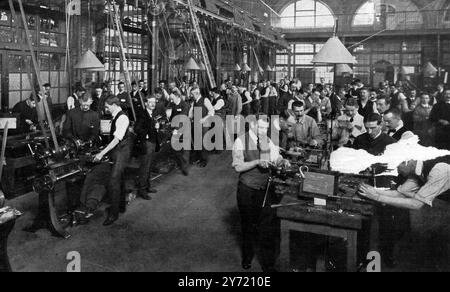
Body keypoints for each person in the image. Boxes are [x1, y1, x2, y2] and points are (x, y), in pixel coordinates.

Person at [232, 116, 286, 272]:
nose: (264, 131)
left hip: (265, 188)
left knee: (267, 227)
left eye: (265, 128)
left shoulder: (266, 140)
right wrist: (256, 162)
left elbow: (275, 157)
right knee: (248, 226)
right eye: (261, 128)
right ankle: (247, 257)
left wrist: (282, 161)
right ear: (253, 125)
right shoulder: (240, 141)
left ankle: (268, 265)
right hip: (247, 189)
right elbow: (238, 167)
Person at [358, 156, 450, 210]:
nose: (397, 171)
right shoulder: (416, 169)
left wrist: (377, 197)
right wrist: (372, 190)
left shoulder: (439, 170)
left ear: (406, 162)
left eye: (397, 167)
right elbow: (401, 194)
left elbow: (417, 204)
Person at [94, 96, 131, 226]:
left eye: (107, 106)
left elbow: (116, 140)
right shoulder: (116, 116)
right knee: (119, 179)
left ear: (114, 104)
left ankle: (113, 215)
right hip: (118, 152)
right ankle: (121, 207)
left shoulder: (122, 118)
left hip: (121, 152)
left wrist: (101, 153)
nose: (106, 109)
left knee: (113, 182)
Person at [134, 97, 159, 200]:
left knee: (149, 166)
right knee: (144, 168)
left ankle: (147, 187)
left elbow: (150, 127)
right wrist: (146, 135)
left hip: (152, 143)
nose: (152, 104)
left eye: (154, 102)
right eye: (150, 102)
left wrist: (156, 128)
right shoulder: (142, 114)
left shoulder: (152, 114)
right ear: (146, 103)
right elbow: (137, 128)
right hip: (147, 144)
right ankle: (142, 191)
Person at [189, 86, 215, 167]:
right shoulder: (194, 101)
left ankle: (204, 160)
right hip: (197, 124)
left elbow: (212, 111)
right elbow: (192, 112)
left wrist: (204, 118)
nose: (191, 96)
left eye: (192, 94)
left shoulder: (205, 100)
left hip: (204, 124)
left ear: (197, 93)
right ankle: (198, 158)